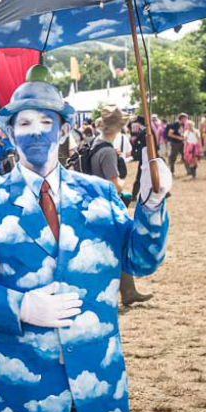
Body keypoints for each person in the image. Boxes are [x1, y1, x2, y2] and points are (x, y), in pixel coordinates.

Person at [0, 67, 171, 412]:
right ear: (11, 132)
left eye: (46, 120)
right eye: (25, 122)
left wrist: (152, 205)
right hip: (23, 391)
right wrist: (19, 306)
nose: (35, 131)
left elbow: (143, 260)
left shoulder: (99, 195)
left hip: (94, 383)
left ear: (64, 130)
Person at [89, 105, 154, 307]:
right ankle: (120, 293)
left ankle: (128, 291)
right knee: (116, 249)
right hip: (107, 206)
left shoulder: (95, 144)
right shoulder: (107, 151)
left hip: (96, 204)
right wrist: (124, 182)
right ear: (117, 128)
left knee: (119, 246)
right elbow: (114, 183)